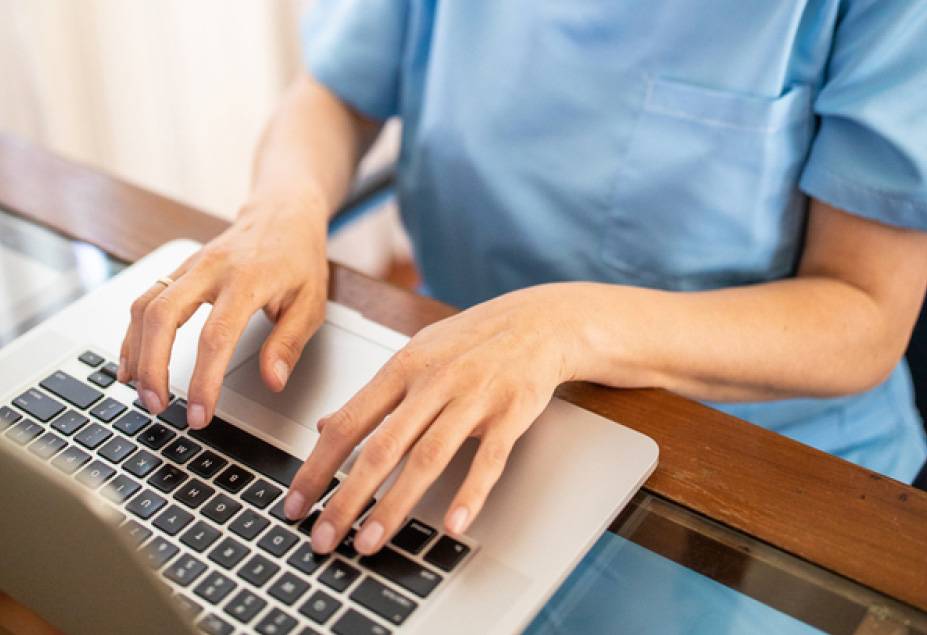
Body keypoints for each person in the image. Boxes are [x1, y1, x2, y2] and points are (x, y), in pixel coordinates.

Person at [120, 0, 927, 582]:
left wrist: (567, 326)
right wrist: (282, 206)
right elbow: (333, 93)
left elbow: (863, 313)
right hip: (454, 400)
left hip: (751, 471)